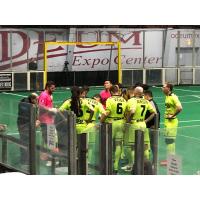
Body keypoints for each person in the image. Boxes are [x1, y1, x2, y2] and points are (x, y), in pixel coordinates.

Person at [124, 86, 156, 172]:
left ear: (135, 92)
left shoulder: (132, 100)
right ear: (141, 93)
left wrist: (128, 121)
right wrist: (145, 121)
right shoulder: (146, 101)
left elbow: (132, 111)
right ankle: (146, 167)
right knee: (145, 147)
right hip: (143, 124)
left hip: (134, 124)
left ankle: (136, 167)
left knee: (133, 147)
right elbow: (154, 113)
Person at [100, 85, 127, 174]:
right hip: (122, 122)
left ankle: (108, 163)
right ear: (118, 91)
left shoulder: (110, 99)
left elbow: (107, 112)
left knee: (109, 143)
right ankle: (116, 166)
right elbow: (126, 113)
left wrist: (101, 120)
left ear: (111, 92)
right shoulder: (123, 100)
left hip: (112, 123)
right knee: (119, 144)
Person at [160, 82, 182, 166]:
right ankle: (171, 159)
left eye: (164, 87)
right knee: (169, 141)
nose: (162, 88)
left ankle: (170, 161)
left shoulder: (173, 97)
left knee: (170, 141)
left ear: (168, 88)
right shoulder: (167, 96)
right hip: (168, 122)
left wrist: (172, 115)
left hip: (171, 122)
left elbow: (180, 108)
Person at [17, 93, 40, 166]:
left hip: (24, 126)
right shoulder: (26, 105)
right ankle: (25, 161)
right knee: (25, 143)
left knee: (26, 142)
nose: (37, 101)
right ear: (32, 99)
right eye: (36, 100)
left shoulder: (27, 103)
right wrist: (35, 123)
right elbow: (27, 117)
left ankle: (26, 160)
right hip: (24, 126)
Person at [38, 81, 58, 162]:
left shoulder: (49, 95)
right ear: (47, 87)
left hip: (50, 121)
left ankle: (49, 158)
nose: (54, 89)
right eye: (52, 88)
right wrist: (51, 109)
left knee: (51, 141)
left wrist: (53, 110)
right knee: (49, 141)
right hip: (45, 122)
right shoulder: (44, 95)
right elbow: (41, 106)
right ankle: (48, 159)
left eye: (54, 88)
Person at [144, 90, 160, 156]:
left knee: (153, 146)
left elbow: (156, 114)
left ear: (147, 96)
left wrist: (155, 125)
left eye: (144, 96)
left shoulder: (151, 103)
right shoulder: (149, 102)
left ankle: (154, 162)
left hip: (153, 127)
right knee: (149, 144)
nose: (143, 97)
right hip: (150, 127)